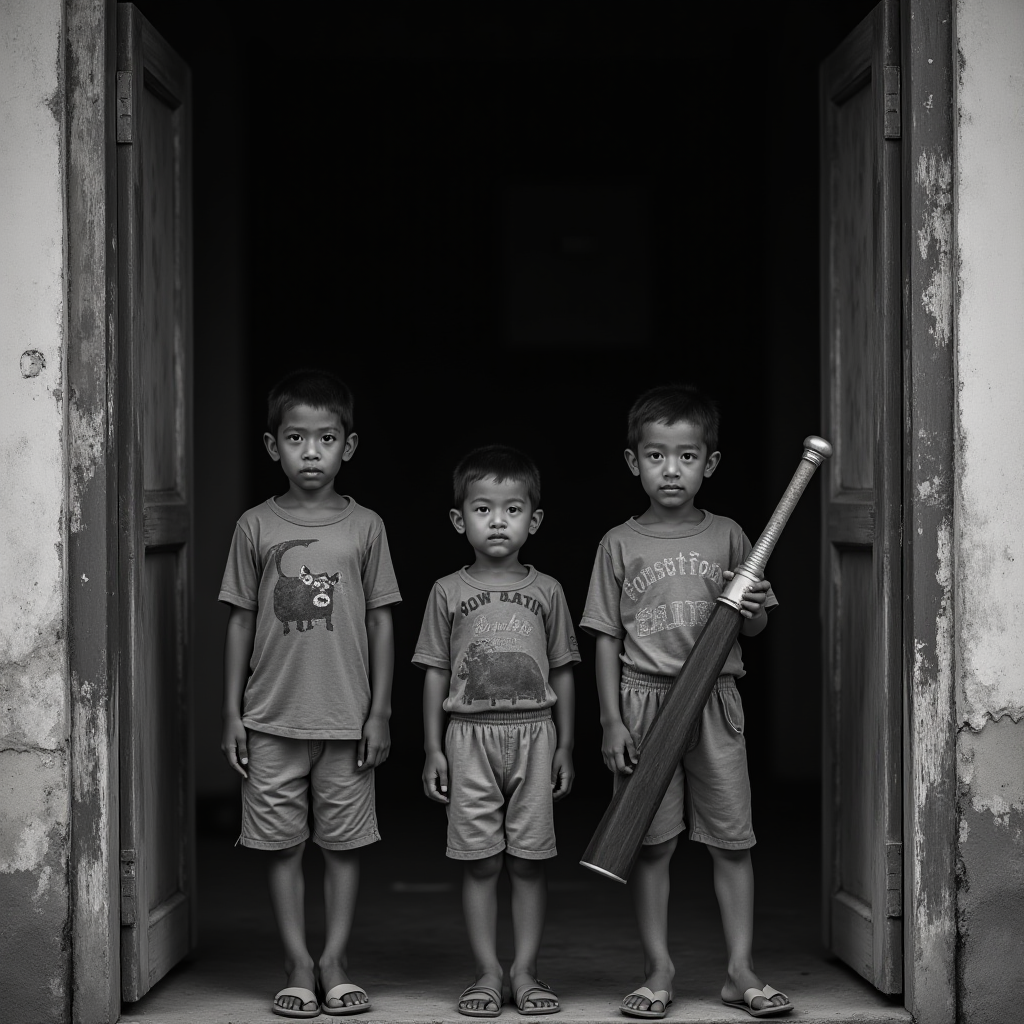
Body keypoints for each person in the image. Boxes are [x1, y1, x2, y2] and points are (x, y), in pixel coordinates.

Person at [580, 385, 793, 1020]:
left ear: (711, 463)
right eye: (656, 456)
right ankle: (659, 970)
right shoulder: (617, 543)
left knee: (732, 839)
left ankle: (739, 969)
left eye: (687, 457)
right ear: (632, 462)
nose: (671, 470)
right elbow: (605, 636)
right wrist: (610, 719)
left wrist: (750, 611)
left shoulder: (731, 537)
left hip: (716, 704)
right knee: (651, 843)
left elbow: (753, 626)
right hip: (643, 706)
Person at [219, 369, 400, 1018]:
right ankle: (297, 960)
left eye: (326, 439)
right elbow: (239, 618)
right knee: (280, 843)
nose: (312, 452)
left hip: (347, 718)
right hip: (270, 717)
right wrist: (232, 714)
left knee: (344, 844)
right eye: (297, 439)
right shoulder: (254, 527)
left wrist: (378, 711)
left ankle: (336, 959)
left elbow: (382, 619)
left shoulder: (367, 527)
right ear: (274, 447)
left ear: (348, 446)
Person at [415, 445, 580, 1017]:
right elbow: (436, 670)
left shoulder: (548, 590)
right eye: (484, 510)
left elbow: (561, 668)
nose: (498, 521)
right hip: (467, 736)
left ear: (533, 520)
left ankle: (526, 971)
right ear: (461, 520)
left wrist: (566, 743)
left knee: (529, 860)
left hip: (536, 732)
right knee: (481, 859)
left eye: (512, 510)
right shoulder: (446, 591)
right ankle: (487, 971)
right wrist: (432, 747)